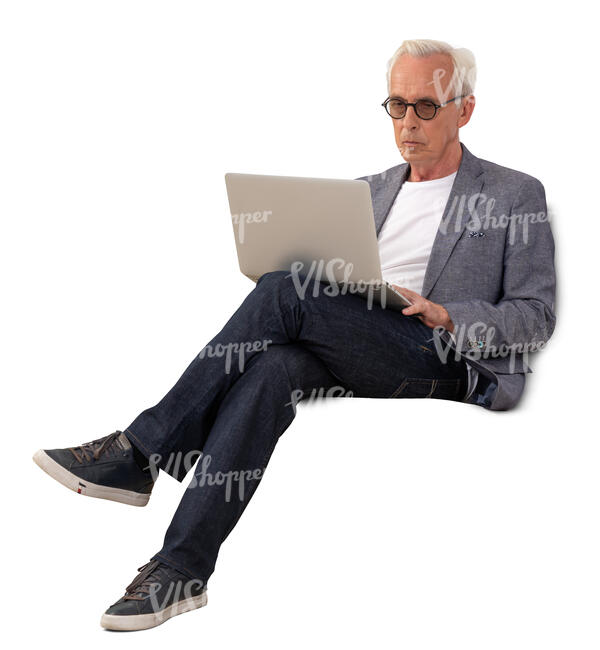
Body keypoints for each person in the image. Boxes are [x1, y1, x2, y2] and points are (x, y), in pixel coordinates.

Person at [32, 39, 556, 631]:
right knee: (271, 369)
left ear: (465, 109)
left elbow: (536, 315)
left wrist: (446, 314)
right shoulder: (369, 189)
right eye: (396, 105)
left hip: (445, 355)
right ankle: (181, 569)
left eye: (426, 108)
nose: (407, 123)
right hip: (357, 345)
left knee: (287, 289)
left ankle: (139, 452)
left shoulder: (514, 193)